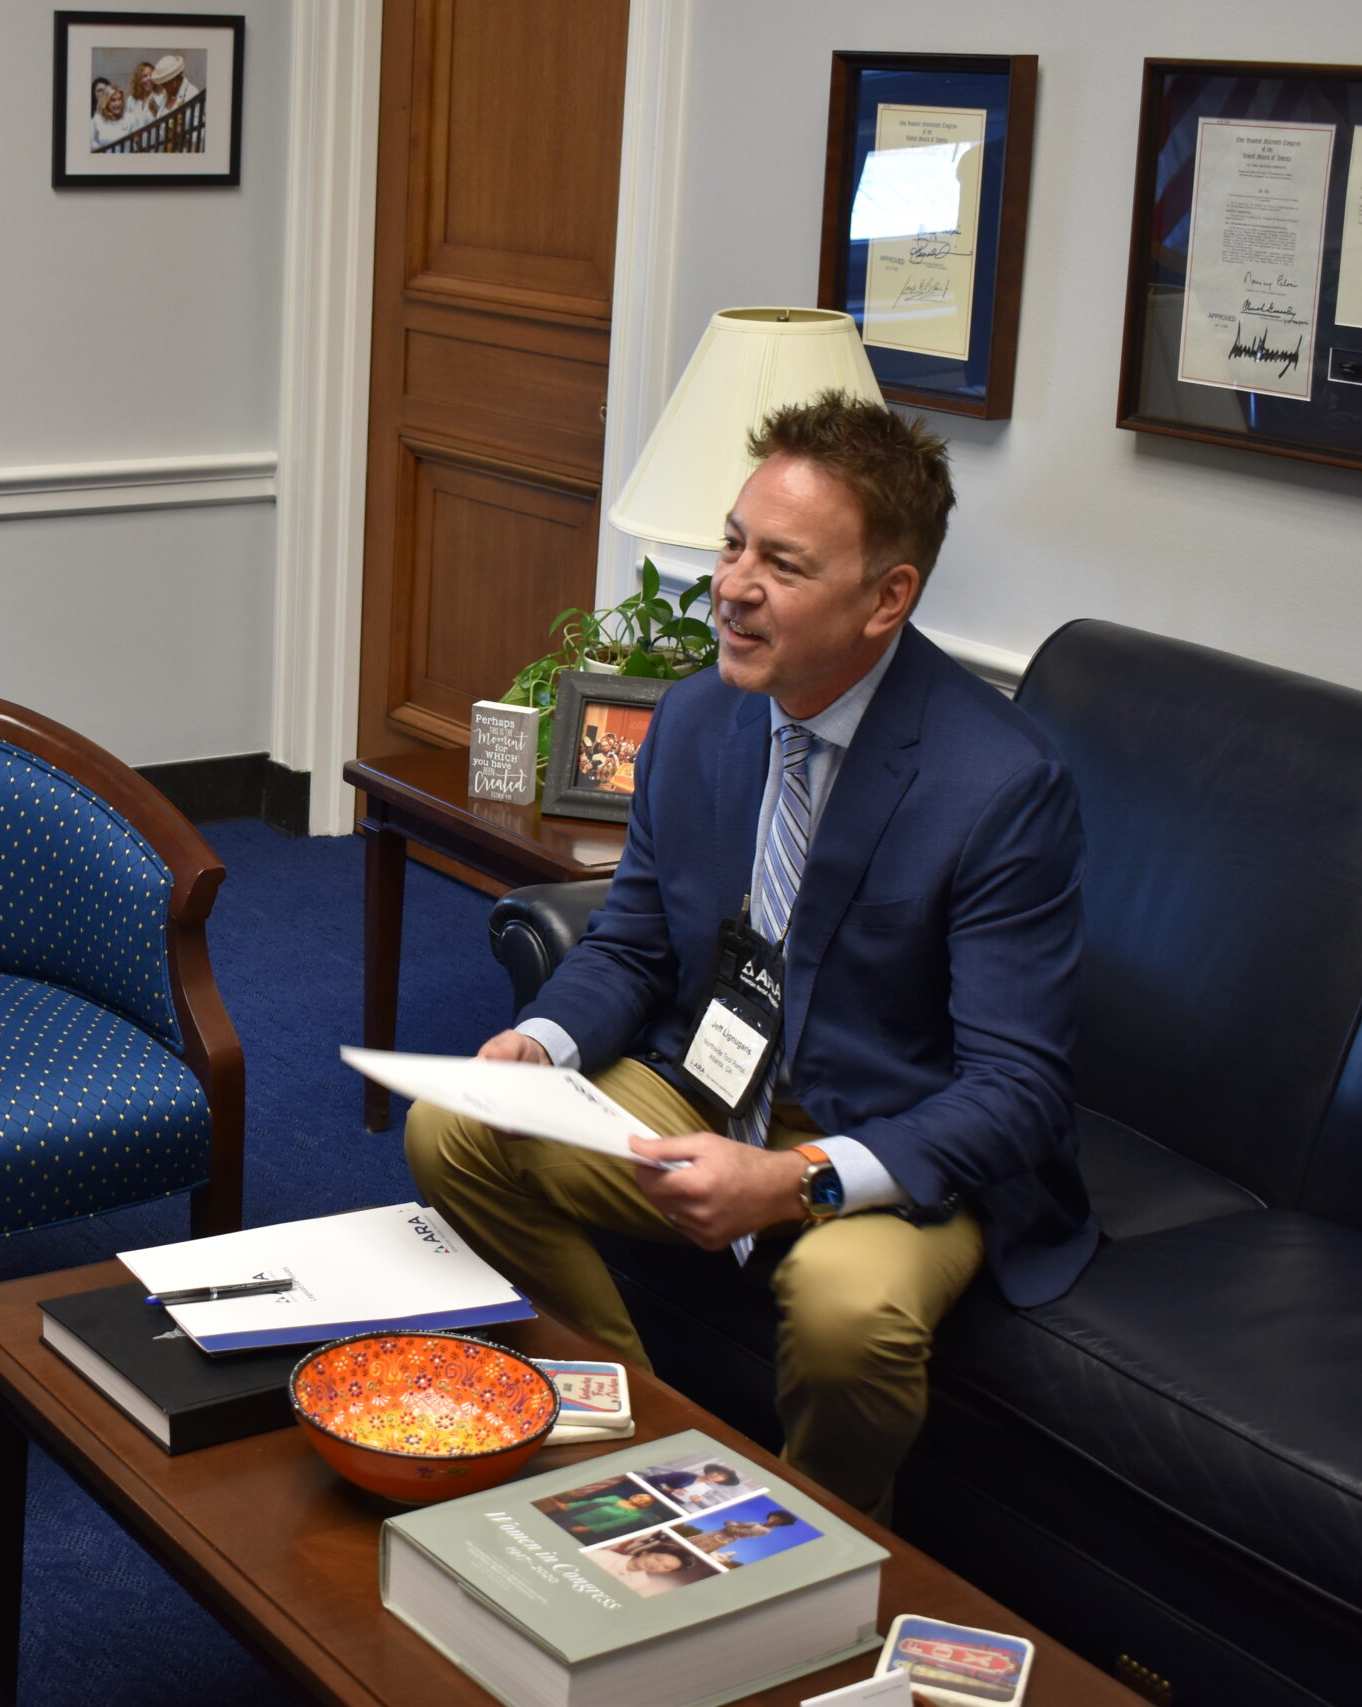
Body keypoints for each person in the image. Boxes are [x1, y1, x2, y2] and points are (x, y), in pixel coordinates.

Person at [408, 391, 1092, 1516]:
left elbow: (1019, 1090)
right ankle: (638, 1447)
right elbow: (631, 941)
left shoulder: (1001, 785)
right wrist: (539, 1041)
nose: (729, 585)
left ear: (887, 598)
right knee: (457, 1127)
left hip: (886, 1133)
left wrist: (794, 1178)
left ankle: (801, 1551)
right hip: (710, 1087)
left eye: (780, 562)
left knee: (840, 1307)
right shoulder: (693, 718)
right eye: (732, 543)